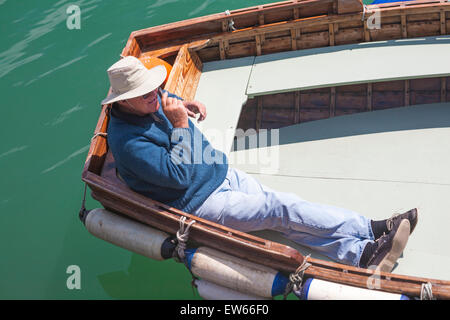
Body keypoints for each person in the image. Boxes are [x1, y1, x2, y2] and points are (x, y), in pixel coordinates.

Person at [102, 56, 418, 272]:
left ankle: (362, 254)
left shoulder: (148, 101)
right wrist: (181, 124)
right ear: (123, 102)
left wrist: (181, 103)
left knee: (284, 214)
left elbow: (162, 95)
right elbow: (177, 175)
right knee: (281, 209)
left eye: (155, 87)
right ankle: (368, 230)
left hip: (217, 169)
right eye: (145, 93)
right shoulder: (129, 144)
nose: (155, 94)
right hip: (201, 202)